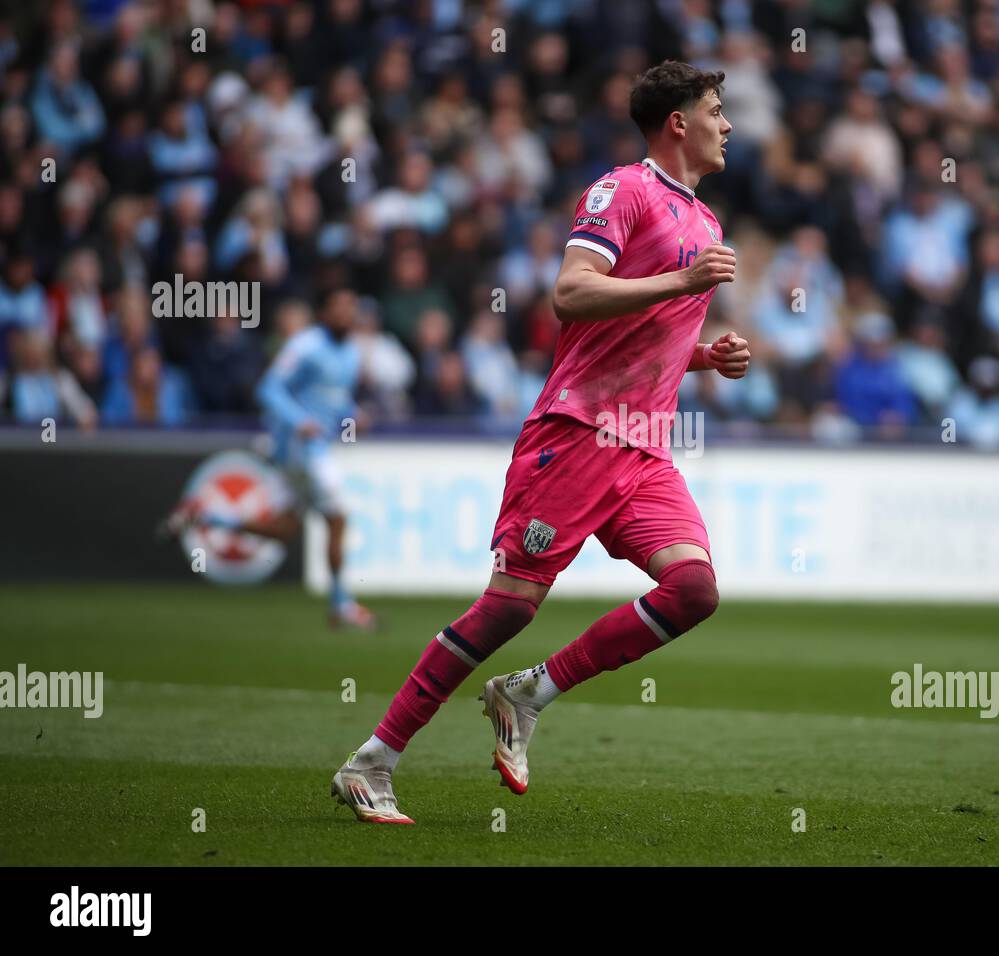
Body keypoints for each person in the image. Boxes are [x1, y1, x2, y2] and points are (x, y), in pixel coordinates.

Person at [331, 61, 749, 823]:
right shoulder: (620, 191)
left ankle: (530, 693)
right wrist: (681, 286)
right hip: (578, 432)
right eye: (717, 111)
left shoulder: (707, 222)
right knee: (509, 609)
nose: (728, 124)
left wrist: (703, 356)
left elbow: (645, 335)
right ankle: (373, 761)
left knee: (694, 591)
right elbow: (572, 294)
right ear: (679, 122)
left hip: (644, 448)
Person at [162, 287, 377, 630]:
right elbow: (268, 389)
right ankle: (341, 605)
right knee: (337, 517)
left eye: (351, 309)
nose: (346, 315)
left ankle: (207, 516)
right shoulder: (306, 346)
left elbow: (336, 399)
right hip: (300, 449)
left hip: (315, 449)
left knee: (284, 529)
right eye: (339, 308)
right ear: (325, 312)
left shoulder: (350, 352)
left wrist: (355, 414)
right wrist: (299, 421)